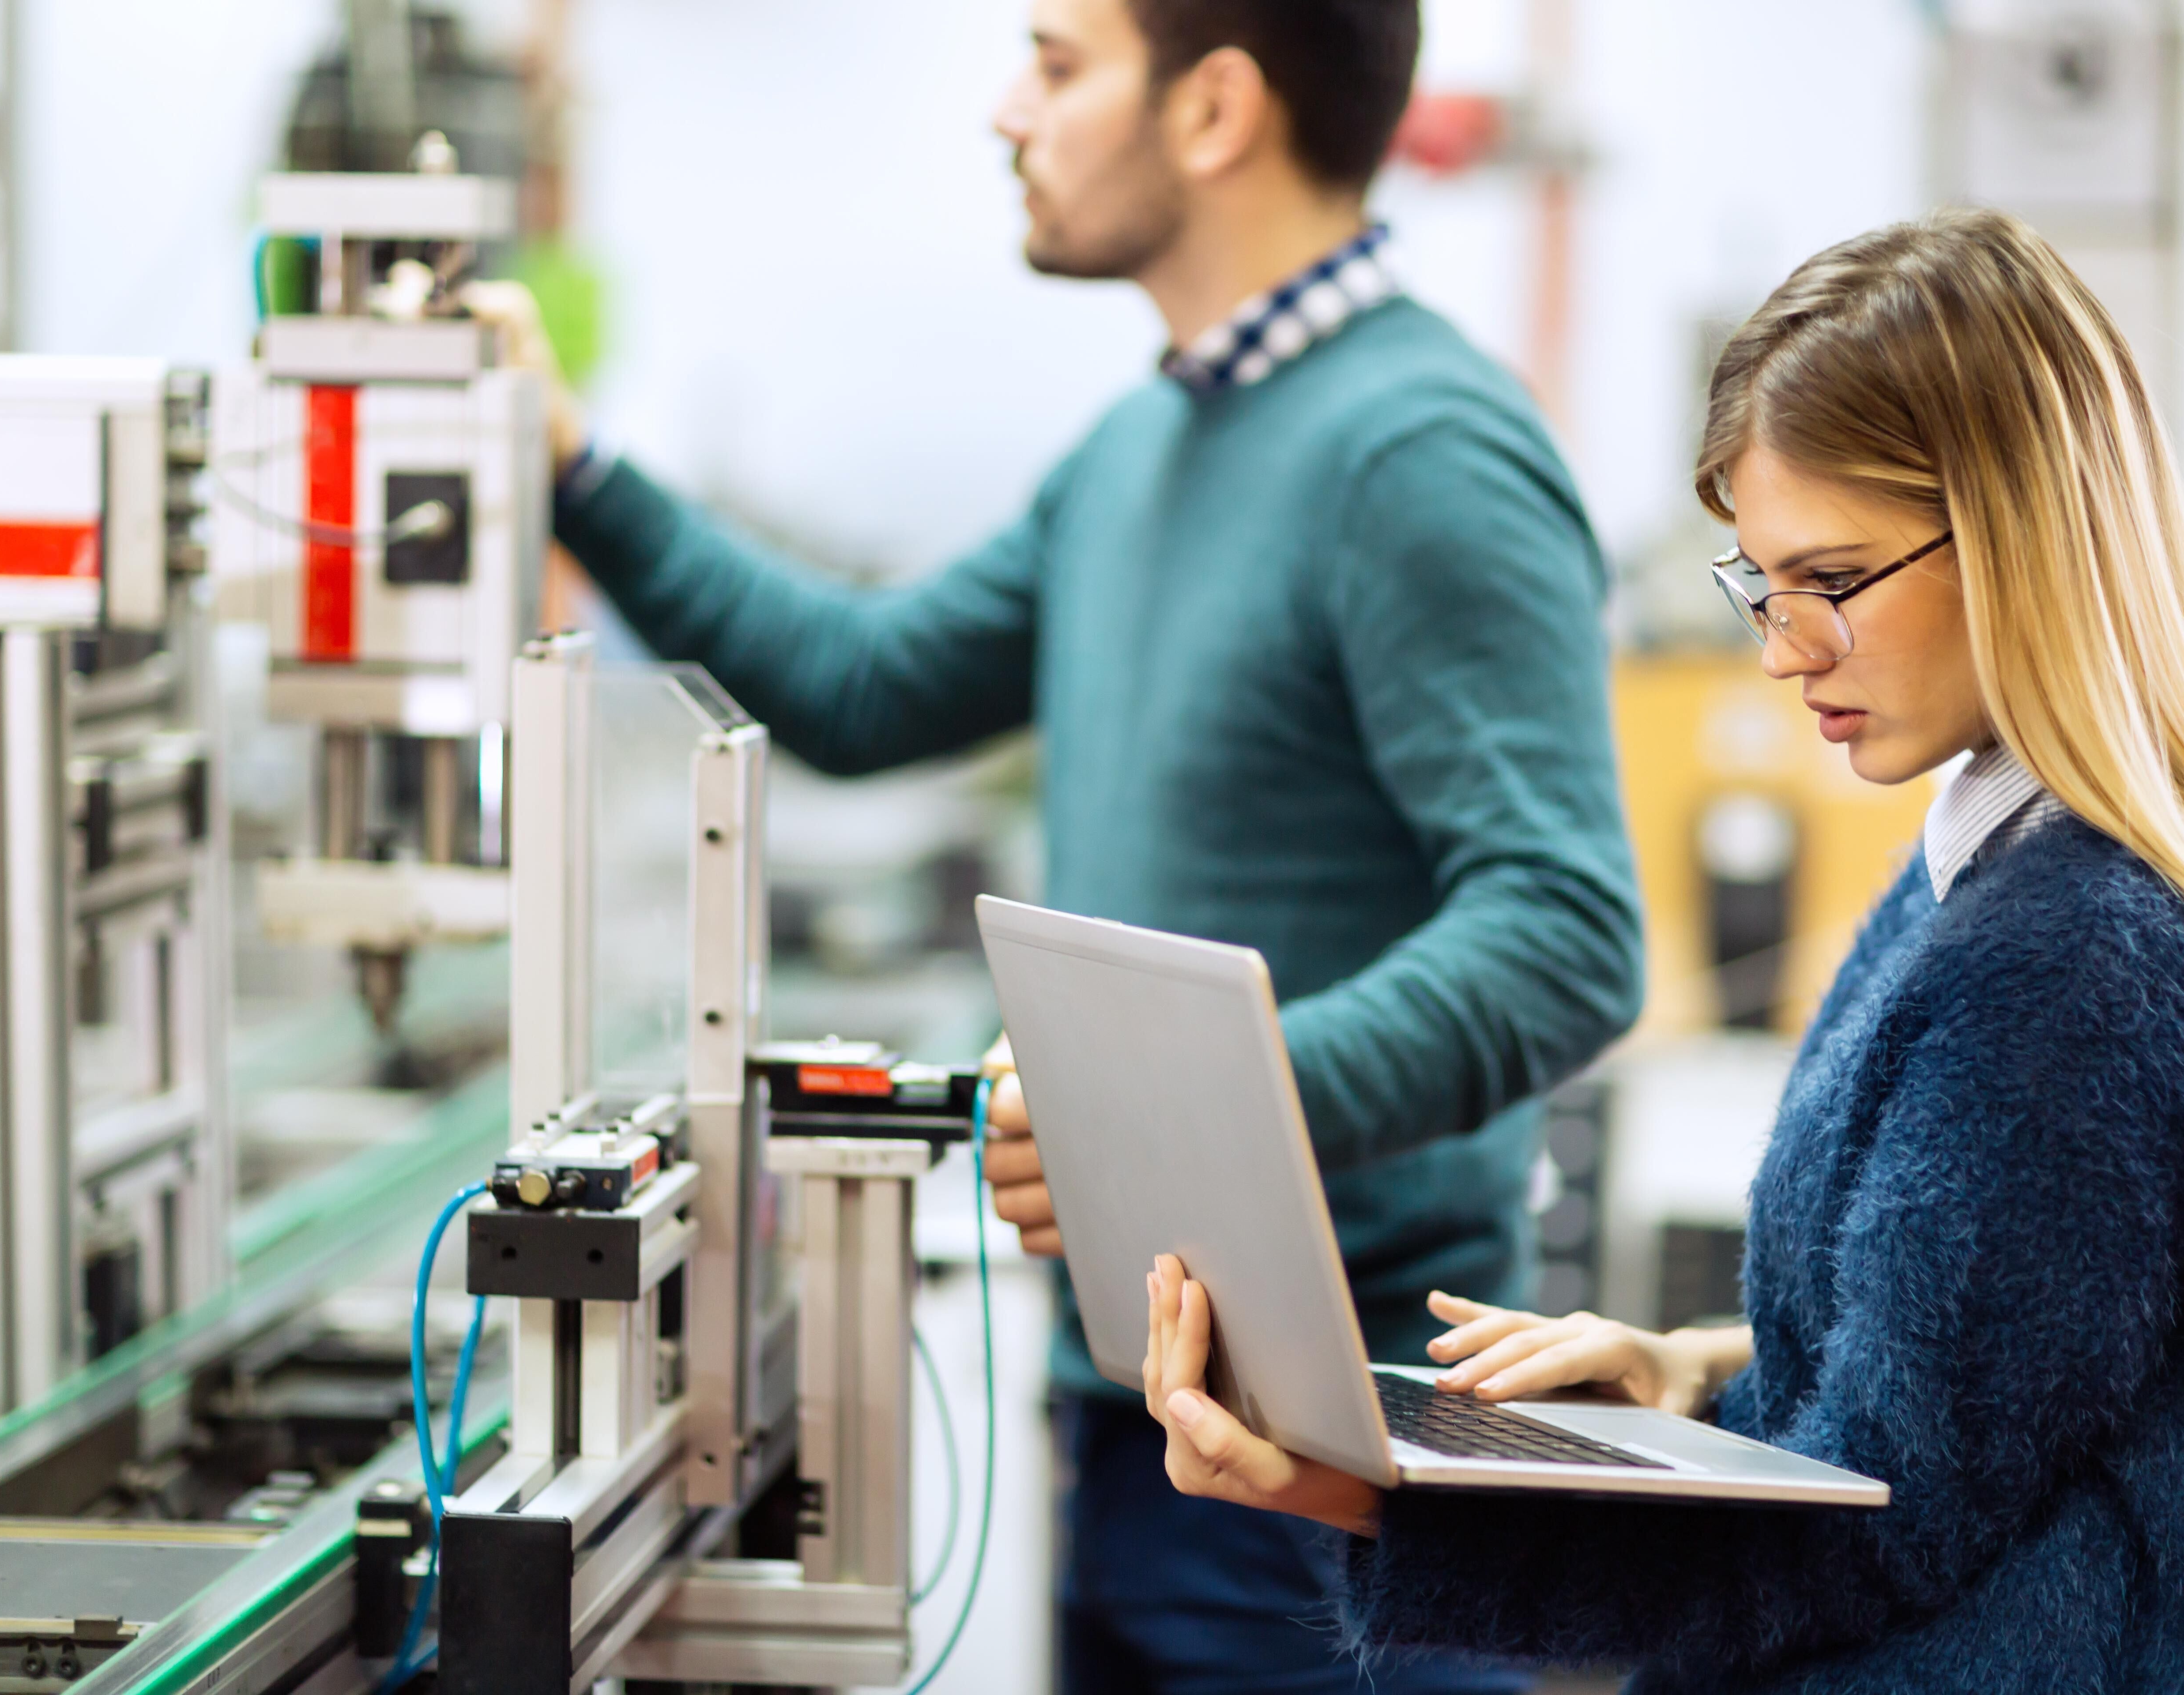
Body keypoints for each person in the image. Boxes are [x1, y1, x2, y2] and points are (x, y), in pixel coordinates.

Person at [471, 0, 1642, 1688]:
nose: (1009, 113)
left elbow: (1563, 930)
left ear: (1216, 108)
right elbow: (862, 686)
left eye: (1060, 61)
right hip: (1136, 1423)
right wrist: (572, 459)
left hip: (1340, 1474)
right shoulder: (1142, 446)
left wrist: (1158, 1121)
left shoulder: (1422, 451)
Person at [1141, 204, 2184, 1693]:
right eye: (1759, 584)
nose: (1782, 649)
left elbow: (1876, 1531)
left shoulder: (2072, 961)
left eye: (1832, 582)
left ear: (2022, 526)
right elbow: (1959, 1395)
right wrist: (1688, 1372)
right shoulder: (1981, 867)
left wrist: (1360, 1497)